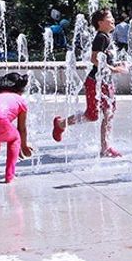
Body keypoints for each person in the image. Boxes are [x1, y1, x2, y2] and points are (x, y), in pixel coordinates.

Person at [52, 8, 127, 157]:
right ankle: (61, 124)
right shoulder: (101, 37)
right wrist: (115, 69)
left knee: (109, 113)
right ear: (101, 22)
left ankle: (105, 147)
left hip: (105, 81)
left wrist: (119, 64)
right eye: (109, 17)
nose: (113, 19)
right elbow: (94, 59)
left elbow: (105, 59)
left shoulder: (107, 37)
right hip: (96, 82)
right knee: (92, 115)